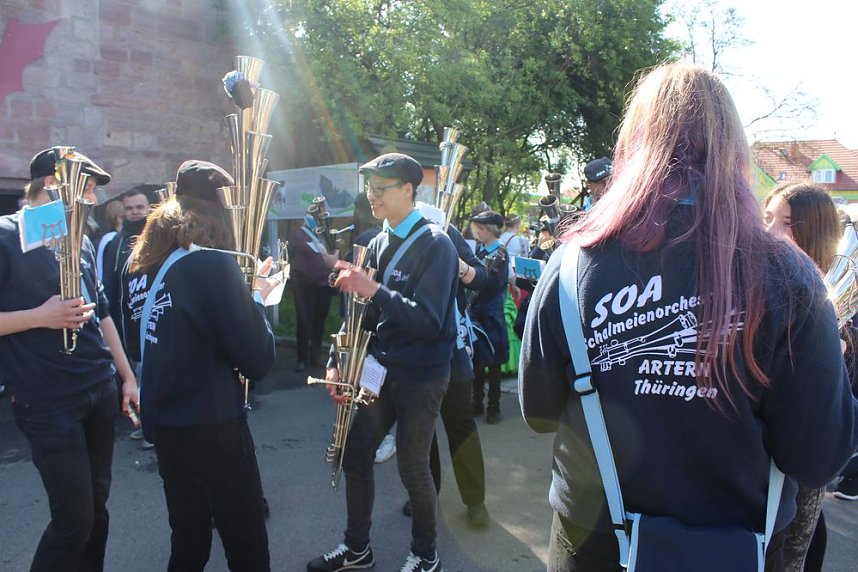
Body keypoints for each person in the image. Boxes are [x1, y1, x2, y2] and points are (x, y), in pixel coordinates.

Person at [519, 64, 858, 572]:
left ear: (634, 146)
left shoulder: (570, 265)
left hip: (592, 547)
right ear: (732, 150)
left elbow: (539, 411)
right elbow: (818, 458)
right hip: (737, 549)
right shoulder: (791, 276)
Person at [121, 160, 277, 571]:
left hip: (167, 424)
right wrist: (257, 295)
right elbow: (258, 358)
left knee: (188, 540)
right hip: (214, 426)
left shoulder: (142, 264)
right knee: (247, 546)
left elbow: (146, 338)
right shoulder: (211, 263)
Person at [307, 153, 458, 572]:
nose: (371, 196)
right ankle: (357, 549)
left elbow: (428, 322)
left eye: (381, 188)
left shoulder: (437, 244)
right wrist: (338, 364)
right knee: (356, 456)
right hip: (379, 370)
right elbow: (359, 315)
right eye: (369, 188)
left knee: (413, 467)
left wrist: (373, 289)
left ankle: (426, 555)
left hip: (422, 376)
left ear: (408, 190)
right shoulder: (375, 241)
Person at [0, 147, 138, 571]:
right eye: (88, 189)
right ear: (54, 184)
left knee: (97, 511)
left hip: (98, 388)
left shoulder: (78, 239)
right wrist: (41, 316)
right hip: (47, 401)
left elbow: (103, 314)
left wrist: (128, 378)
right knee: (73, 521)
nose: (94, 200)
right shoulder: (5, 234)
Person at [762, 182, 842, 572]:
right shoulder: (756, 287)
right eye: (767, 218)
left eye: (787, 223)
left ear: (813, 232)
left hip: (801, 480)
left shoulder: (829, 310)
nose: (771, 232)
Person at [469, 210, 510, 424]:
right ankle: (476, 401)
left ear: (491, 230)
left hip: (492, 313)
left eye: (481, 229)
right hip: (476, 311)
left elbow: (494, 285)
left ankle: (493, 406)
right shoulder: (479, 250)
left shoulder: (501, 253)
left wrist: (476, 279)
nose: (478, 233)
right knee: (477, 359)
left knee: (493, 362)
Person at [288, 206, 340, 372]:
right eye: (313, 216)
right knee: (304, 322)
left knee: (319, 319)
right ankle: (301, 358)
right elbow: (290, 256)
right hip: (304, 285)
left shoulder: (325, 235)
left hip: (324, 285)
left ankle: (315, 356)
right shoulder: (297, 235)